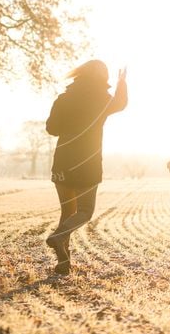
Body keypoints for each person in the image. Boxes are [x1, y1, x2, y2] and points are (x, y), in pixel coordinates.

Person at [44, 60, 128, 275]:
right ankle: (58, 237)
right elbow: (121, 103)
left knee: (68, 213)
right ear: (102, 76)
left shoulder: (63, 98)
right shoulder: (101, 98)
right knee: (84, 211)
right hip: (87, 163)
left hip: (62, 161)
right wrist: (122, 82)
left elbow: (51, 129)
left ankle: (64, 263)